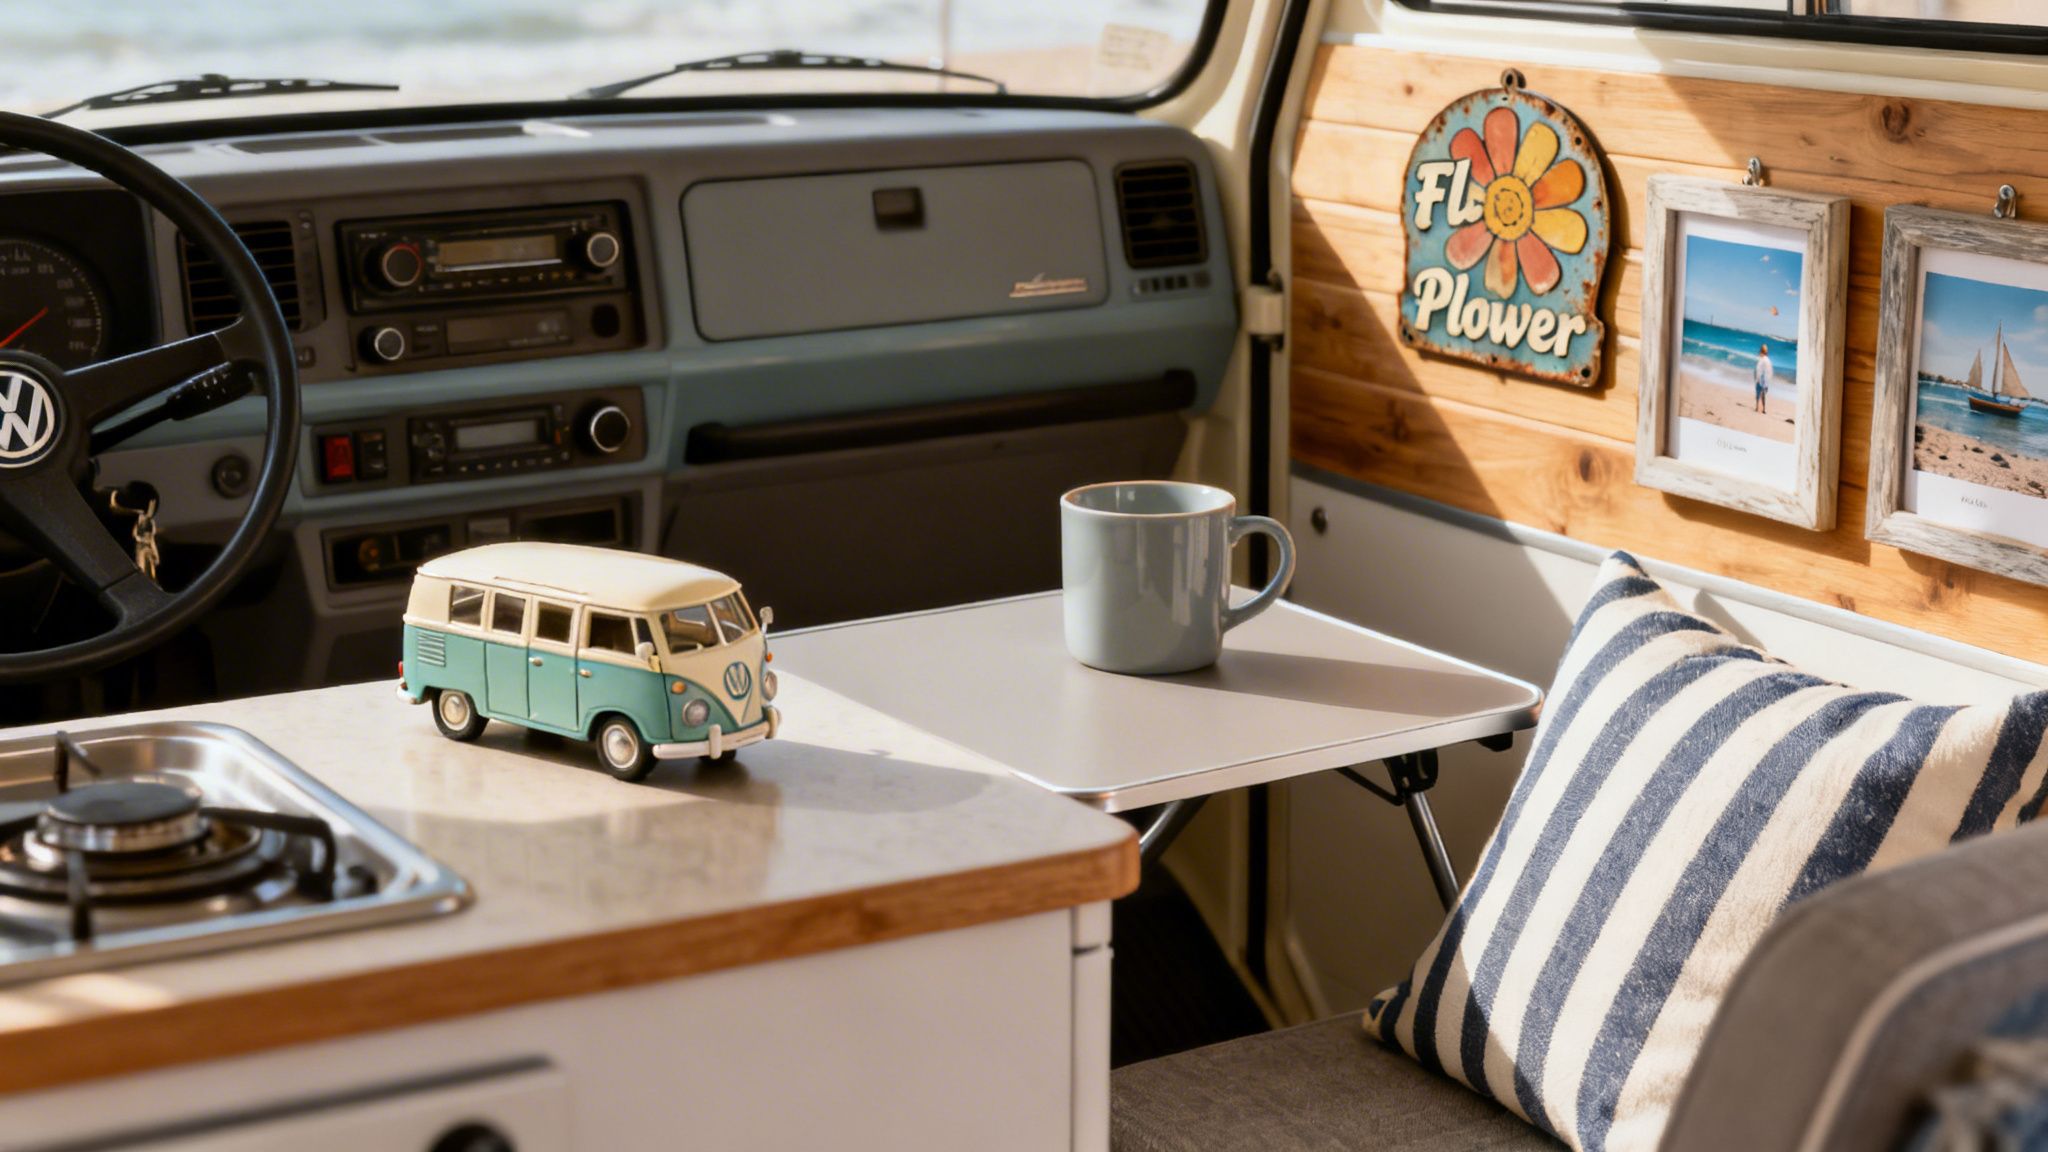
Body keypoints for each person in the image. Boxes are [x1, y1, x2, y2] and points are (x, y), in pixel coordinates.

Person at [1753, 344, 1773, 414]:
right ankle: (1763, 409)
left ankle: (1757, 407)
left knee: (1758, 393)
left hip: (1761, 379)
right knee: (1763, 394)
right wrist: (1768, 380)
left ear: (1761, 352)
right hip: (1766, 380)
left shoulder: (1762, 359)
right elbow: (1770, 371)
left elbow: (1758, 370)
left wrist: (1757, 378)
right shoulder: (1768, 360)